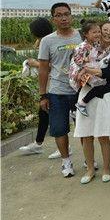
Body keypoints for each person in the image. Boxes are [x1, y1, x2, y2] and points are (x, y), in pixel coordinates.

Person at [74, 21, 110, 184]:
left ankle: (106, 168)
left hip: (104, 96)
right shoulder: (88, 48)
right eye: (105, 30)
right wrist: (82, 74)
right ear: (99, 31)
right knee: (86, 135)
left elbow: (109, 73)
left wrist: (89, 71)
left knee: (103, 135)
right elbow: (77, 64)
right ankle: (90, 169)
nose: (108, 33)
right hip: (86, 91)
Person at [38, 3, 83, 177]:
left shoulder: (81, 36)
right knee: (59, 128)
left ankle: (89, 158)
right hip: (57, 91)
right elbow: (43, 68)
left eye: (66, 14)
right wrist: (43, 94)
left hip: (81, 90)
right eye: (59, 15)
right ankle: (66, 162)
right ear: (53, 19)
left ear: (71, 16)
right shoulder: (47, 41)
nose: (63, 18)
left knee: (85, 126)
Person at [19, 17, 71, 158]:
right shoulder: (47, 40)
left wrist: (33, 63)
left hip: (54, 85)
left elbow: (49, 65)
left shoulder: (48, 40)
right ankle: (39, 143)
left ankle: (63, 147)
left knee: (55, 117)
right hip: (51, 84)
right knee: (44, 114)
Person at [69, 20, 108, 117]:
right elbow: (77, 59)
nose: (98, 34)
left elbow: (98, 55)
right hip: (80, 70)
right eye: (94, 32)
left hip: (89, 69)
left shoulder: (96, 44)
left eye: (99, 32)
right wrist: (85, 60)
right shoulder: (82, 46)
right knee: (87, 87)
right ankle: (75, 108)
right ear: (86, 34)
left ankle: (77, 106)